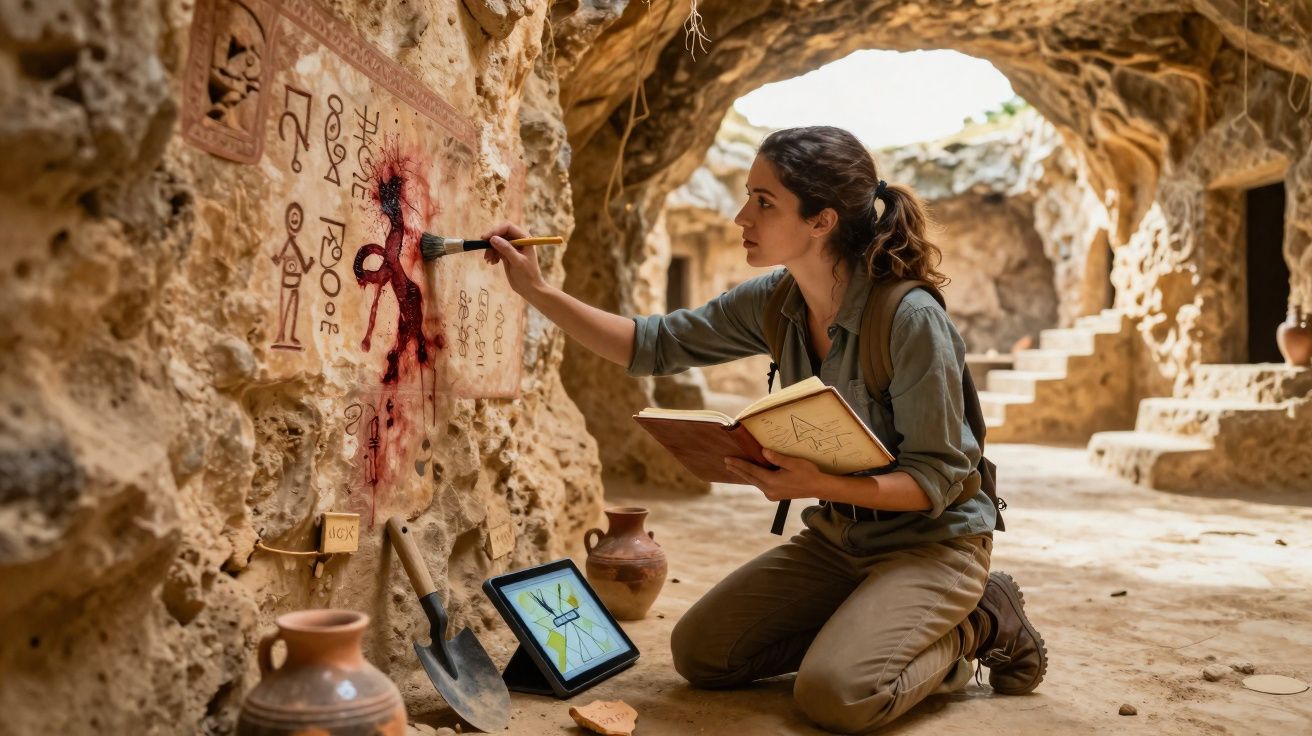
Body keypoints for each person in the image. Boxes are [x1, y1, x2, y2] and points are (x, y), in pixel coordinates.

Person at [481, 126, 1046, 733]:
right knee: (702, 654)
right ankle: (869, 629)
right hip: (839, 542)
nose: (741, 215)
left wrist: (813, 483)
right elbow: (652, 345)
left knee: (835, 697)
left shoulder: (910, 319)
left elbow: (935, 479)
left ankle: (977, 622)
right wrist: (535, 290)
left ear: (821, 220)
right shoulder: (775, 301)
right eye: (749, 195)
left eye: (764, 201)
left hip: (933, 546)